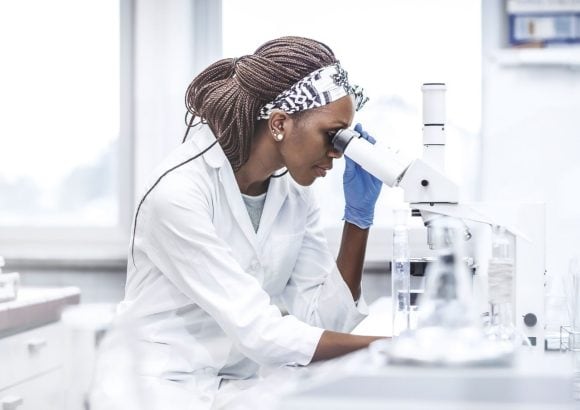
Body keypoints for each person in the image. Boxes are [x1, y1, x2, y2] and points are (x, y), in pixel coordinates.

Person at [92, 36, 385, 410]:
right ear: (279, 123)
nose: (337, 152)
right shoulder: (179, 193)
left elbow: (321, 323)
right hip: (154, 388)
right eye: (332, 135)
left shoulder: (294, 195)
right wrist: (393, 348)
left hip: (233, 386)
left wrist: (357, 221)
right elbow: (259, 331)